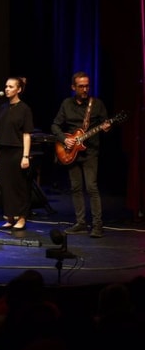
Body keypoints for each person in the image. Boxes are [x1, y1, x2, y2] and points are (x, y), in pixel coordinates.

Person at [50, 71, 111, 238]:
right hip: (71, 151)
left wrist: (107, 127)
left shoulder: (96, 104)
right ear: (73, 87)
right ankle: (81, 223)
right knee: (75, 188)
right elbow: (55, 125)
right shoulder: (66, 104)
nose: (85, 89)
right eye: (81, 86)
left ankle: (97, 225)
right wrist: (65, 139)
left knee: (91, 187)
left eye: (87, 86)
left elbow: (105, 124)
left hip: (90, 151)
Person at [0, 77, 34, 230]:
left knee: (18, 186)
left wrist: (25, 156)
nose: (7, 89)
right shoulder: (2, 108)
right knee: (5, 186)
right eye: (6, 86)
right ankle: (10, 217)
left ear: (18, 89)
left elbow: (27, 134)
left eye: (11, 87)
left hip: (17, 151)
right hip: (3, 152)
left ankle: (21, 217)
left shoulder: (24, 109)